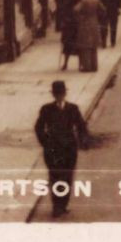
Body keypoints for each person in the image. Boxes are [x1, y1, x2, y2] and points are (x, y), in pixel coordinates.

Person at [35, 80, 89, 218]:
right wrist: (45, 142)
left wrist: (82, 140)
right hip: (52, 150)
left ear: (65, 93)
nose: (59, 96)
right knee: (55, 177)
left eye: (61, 93)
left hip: (69, 149)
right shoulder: (46, 109)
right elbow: (39, 128)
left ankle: (63, 205)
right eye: (57, 94)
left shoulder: (73, 109)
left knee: (67, 177)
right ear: (53, 94)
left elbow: (81, 126)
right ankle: (56, 206)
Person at [73, 0, 105, 72]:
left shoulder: (84, 0)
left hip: (85, 23)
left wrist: (79, 18)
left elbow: (75, 9)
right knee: (94, 46)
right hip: (94, 22)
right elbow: (103, 9)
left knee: (86, 46)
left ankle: (87, 67)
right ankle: (94, 66)